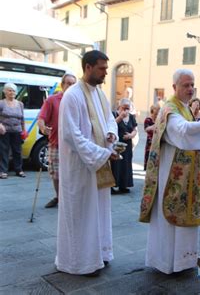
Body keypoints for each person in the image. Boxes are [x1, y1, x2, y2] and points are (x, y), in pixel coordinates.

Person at [139, 69, 200, 274]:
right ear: (174, 87)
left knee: (185, 217)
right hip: (171, 174)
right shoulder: (170, 109)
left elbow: (191, 131)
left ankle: (183, 261)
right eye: (185, 85)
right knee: (171, 218)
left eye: (192, 85)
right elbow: (184, 131)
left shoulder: (184, 107)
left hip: (187, 173)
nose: (190, 89)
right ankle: (166, 262)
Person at [56, 50, 119, 276]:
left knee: (98, 212)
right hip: (80, 167)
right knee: (81, 214)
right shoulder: (72, 96)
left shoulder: (100, 94)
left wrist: (111, 134)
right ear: (88, 67)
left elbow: (109, 119)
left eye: (106, 68)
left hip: (97, 163)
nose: (105, 73)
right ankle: (79, 261)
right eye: (102, 68)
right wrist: (101, 153)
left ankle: (99, 254)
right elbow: (71, 135)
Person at [38, 73, 77, 208]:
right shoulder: (52, 100)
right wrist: (43, 128)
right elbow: (41, 118)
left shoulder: (78, 100)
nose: (71, 86)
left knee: (73, 174)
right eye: (68, 83)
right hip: (56, 143)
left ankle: (70, 197)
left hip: (75, 145)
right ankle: (59, 197)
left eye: (73, 84)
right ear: (62, 85)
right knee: (56, 174)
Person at [111, 98, 138, 195]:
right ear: (120, 106)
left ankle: (124, 185)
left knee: (126, 164)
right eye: (124, 108)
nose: (126, 110)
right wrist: (120, 117)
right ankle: (113, 185)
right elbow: (111, 125)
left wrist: (131, 135)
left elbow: (135, 129)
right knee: (116, 164)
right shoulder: (114, 114)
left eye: (128, 108)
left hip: (127, 145)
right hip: (117, 144)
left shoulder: (131, 117)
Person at [0, 82, 27, 179]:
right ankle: (3, 171)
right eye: (9, 90)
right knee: (4, 151)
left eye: (13, 91)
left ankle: (19, 170)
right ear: (5, 92)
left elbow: (22, 118)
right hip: (4, 131)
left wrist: (24, 131)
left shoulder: (20, 104)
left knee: (17, 151)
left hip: (17, 130)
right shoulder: (1, 103)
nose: (12, 92)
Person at [144, 103, 160, 169]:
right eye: (156, 111)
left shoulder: (159, 119)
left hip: (157, 141)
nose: (157, 114)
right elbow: (146, 129)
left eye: (158, 111)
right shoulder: (148, 119)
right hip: (150, 142)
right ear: (152, 111)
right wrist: (154, 127)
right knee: (149, 157)